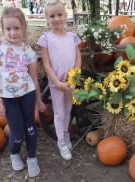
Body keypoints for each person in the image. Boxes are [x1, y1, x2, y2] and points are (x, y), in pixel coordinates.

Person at [0, 7, 46, 178]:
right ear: (2, 29)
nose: (12, 33)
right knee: (17, 132)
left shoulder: (28, 51)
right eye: (8, 29)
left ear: (24, 28)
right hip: (8, 98)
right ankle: (14, 153)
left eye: (16, 28)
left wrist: (39, 100)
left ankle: (32, 157)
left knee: (31, 128)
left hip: (27, 95)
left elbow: (34, 79)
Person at [37, 0, 82, 160]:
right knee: (59, 112)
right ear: (47, 19)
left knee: (68, 108)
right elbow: (47, 64)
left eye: (59, 14)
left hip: (70, 81)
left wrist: (73, 76)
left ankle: (66, 133)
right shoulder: (46, 39)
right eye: (52, 16)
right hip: (57, 83)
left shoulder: (72, 37)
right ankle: (61, 142)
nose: (56, 19)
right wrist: (57, 82)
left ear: (66, 15)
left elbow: (78, 59)